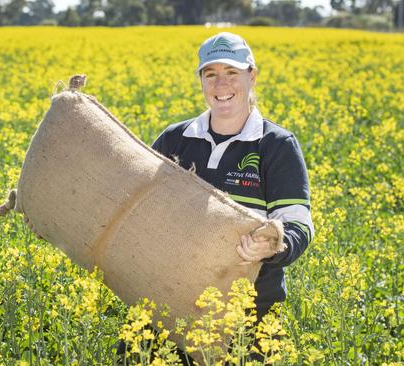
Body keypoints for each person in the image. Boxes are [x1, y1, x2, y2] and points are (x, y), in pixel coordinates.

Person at [118, 32, 314, 364]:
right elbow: (132, 207)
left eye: (231, 73)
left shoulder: (277, 145)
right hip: (168, 305)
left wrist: (274, 245)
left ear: (252, 75)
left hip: (250, 314)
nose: (221, 85)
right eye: (211, 75)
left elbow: (299, 225)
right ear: (201, 81)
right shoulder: (175, 139)